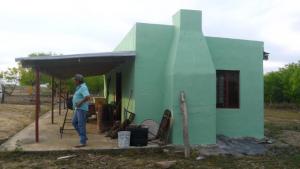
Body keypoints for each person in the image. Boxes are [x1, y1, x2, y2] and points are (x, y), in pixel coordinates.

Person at [72, 74, 90, 148]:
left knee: (81, 124)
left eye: (75, 80)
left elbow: (87, 97)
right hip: (78, 109)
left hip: (82, 109)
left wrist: (80, 102)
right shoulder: (79, 88)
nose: (74, 81)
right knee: (74, 122)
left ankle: (83, 142)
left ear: (78, 80)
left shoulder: (83, 87)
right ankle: (84, 137)